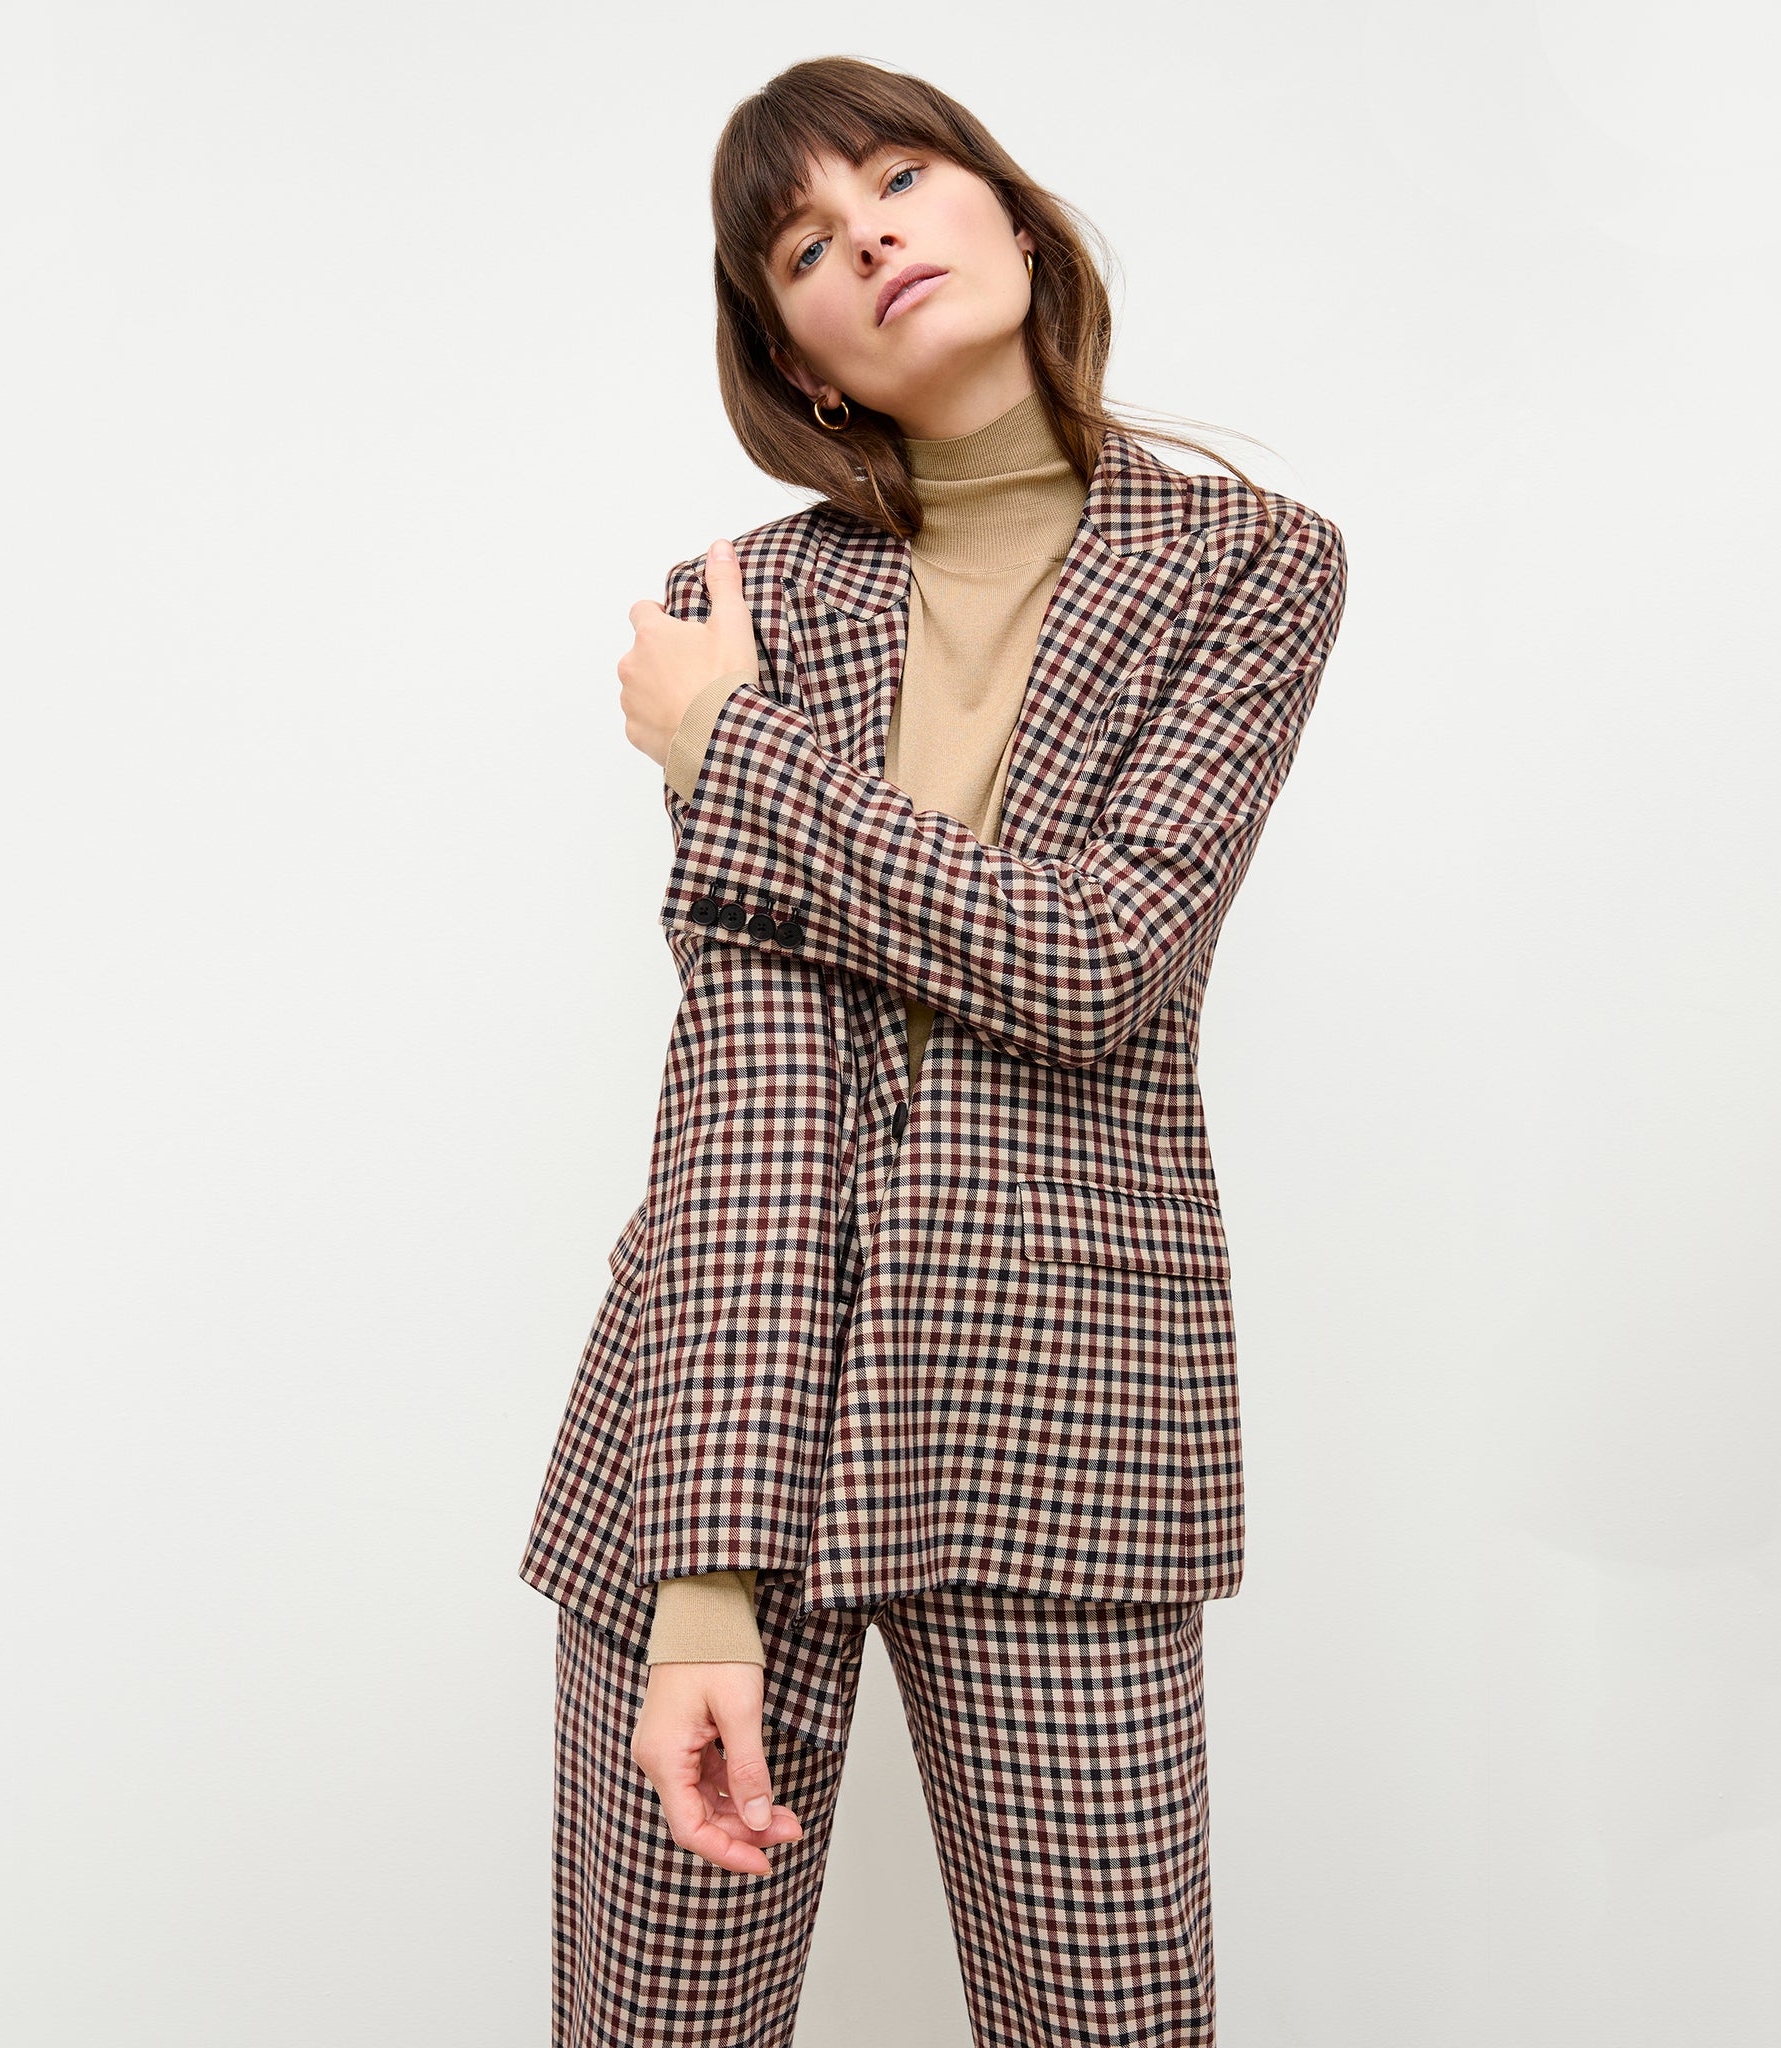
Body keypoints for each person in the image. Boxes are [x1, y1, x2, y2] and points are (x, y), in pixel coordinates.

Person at [520, 52, 1349, 2047]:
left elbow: (1101, 960)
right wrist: (702, 1578)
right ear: (796, 360)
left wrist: (729, 751)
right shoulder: (745, 606)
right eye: (805, 246)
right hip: (726, 1413)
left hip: (1071, 1412)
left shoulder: (1251, 561)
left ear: (1013, 218)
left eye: (897, 177)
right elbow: (749, 1086)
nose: (869, 237)